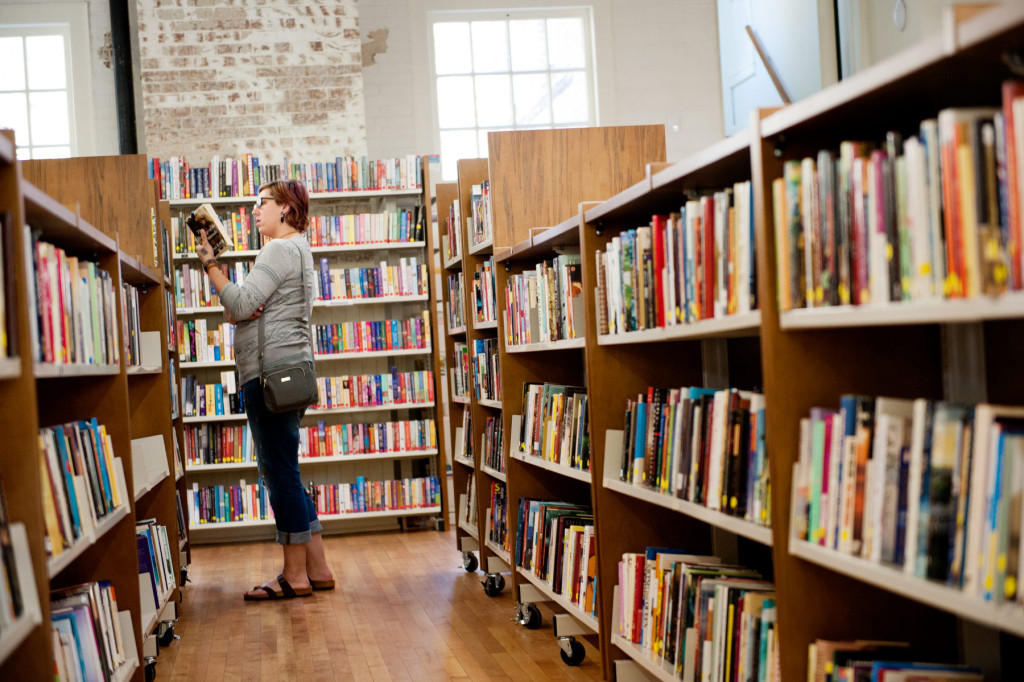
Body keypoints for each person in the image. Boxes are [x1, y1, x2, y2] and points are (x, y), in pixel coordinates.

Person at [195, 178, 335, 600]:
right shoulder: (299, 250)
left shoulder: (277, 249)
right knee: (286, 470)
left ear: (287, 210)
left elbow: (239, 305)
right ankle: (319, 568)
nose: (255, 211)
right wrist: (242, 309)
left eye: (263, 203)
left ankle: (293, 577)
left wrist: (210, 265)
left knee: (280, 475)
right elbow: (245, 308)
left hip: (269, 374)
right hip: (291, 371)